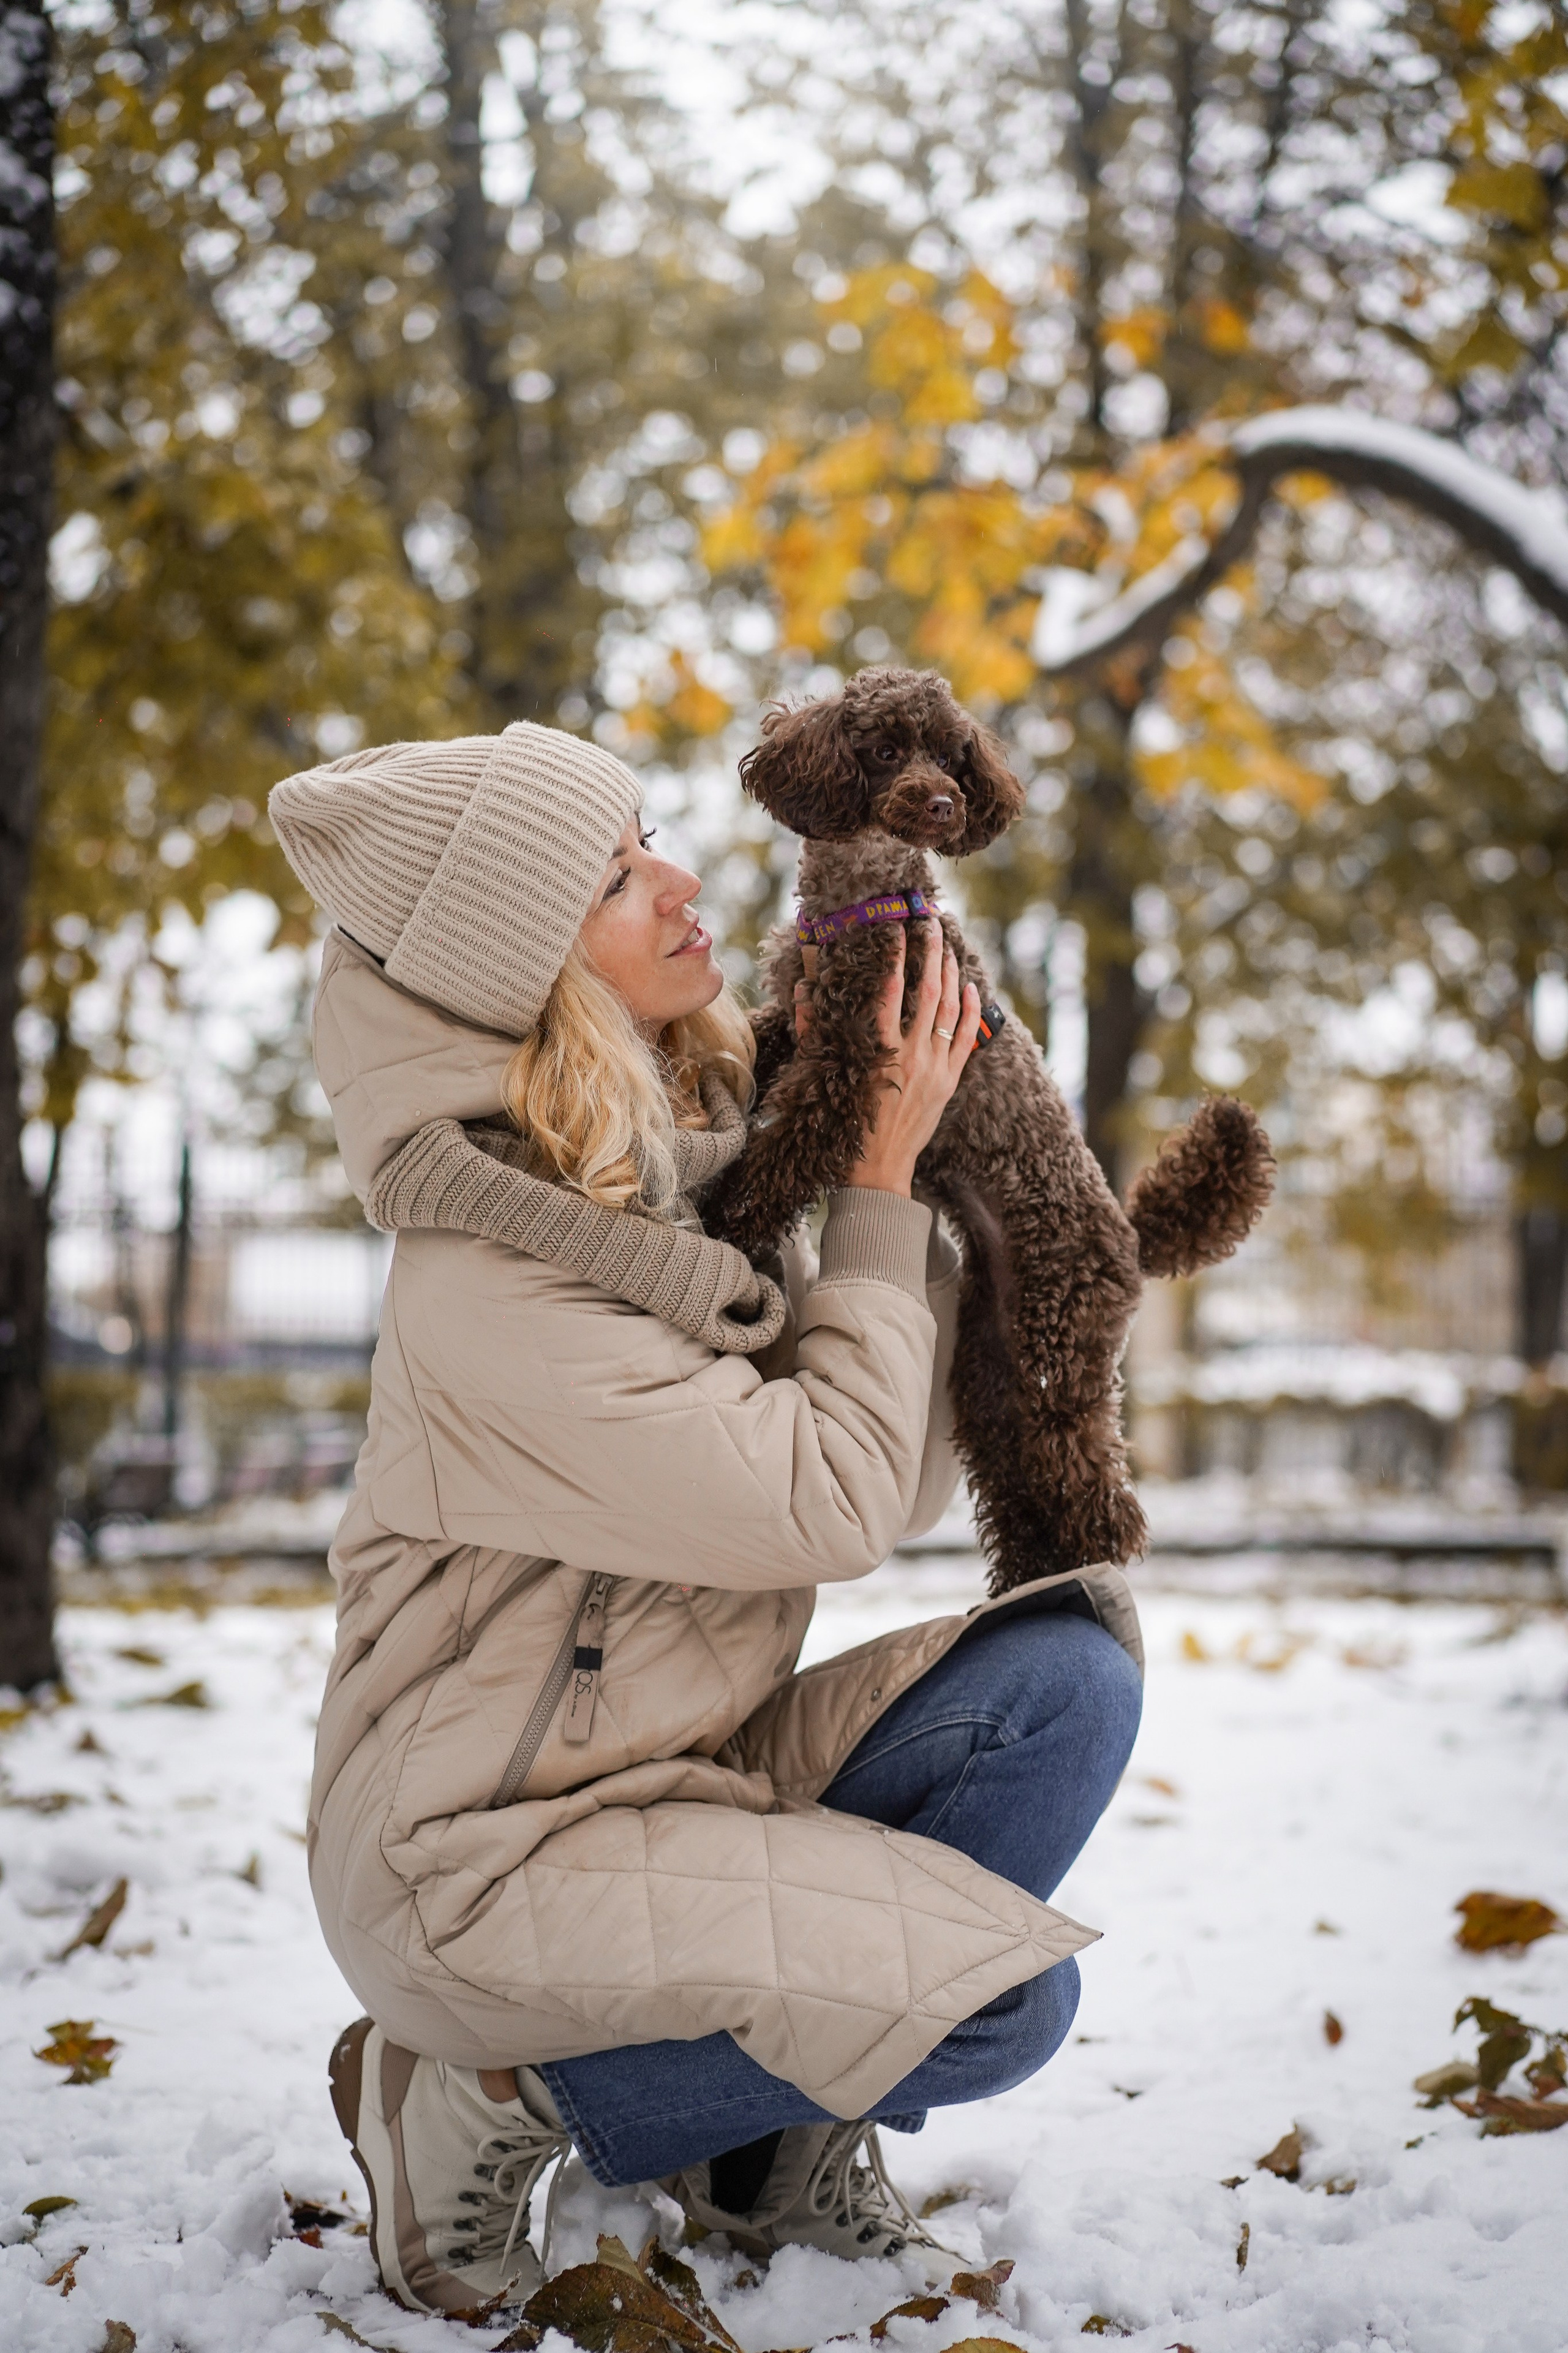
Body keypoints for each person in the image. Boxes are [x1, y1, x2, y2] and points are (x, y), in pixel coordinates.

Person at [269, 722, 1143, 2317]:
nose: (679, 884)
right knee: (1001, 2004)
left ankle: (758, 2158)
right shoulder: (501, 1274)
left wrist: (956, 1172)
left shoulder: (683, 1175)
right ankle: (472, 2096)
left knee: (1065, 1677)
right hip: (479, 1859)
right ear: (536, 968)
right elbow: (834, 1499)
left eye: (649, 835)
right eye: (615, 880)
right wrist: (875, 1182)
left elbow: (893, 1457)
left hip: (690, 1774)